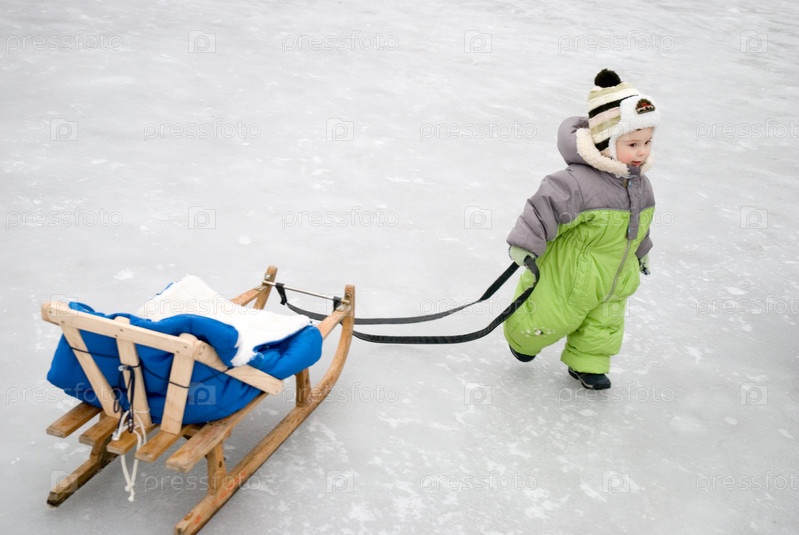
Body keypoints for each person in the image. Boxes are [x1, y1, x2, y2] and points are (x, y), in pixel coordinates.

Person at [503, 68, 660, 390]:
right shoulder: (577, 183)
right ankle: (522, 340)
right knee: (547, 317)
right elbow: (542, 208)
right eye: (632, 143)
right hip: (570, 275)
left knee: (604, 326)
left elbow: (639, 225)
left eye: (647, 142)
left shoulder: (641, 186)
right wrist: (525, 244)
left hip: (616, 275)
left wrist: (642, 252)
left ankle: (588, 365)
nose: (642, 151)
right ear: (605, 143)